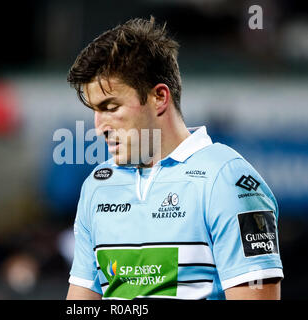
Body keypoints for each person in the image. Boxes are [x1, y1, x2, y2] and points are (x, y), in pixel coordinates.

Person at [65, 17, 283, 300]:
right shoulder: (97, 186)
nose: (99, 126)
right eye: (95, 110)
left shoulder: (229, 181)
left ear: (159, 97)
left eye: (111, 107)